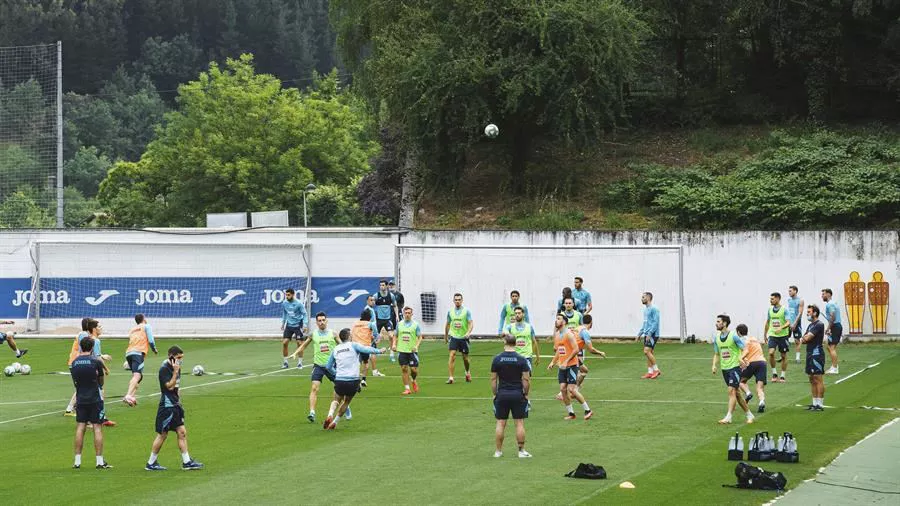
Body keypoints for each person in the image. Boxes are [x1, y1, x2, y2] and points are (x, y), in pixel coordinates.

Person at [145, 345, 204, 470]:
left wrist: (179, 401)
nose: (180, 360)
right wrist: (175, 371)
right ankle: (151, 463)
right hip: (167, 406)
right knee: (162, 434)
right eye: (178, 357)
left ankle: (187, 462)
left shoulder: (176, 367)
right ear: (171, 356)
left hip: (175, 405)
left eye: (181, 358)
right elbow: (169, 386)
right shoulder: (164, 369)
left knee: (182, 432)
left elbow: (176, 388)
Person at [322, 329, 386, 430]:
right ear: (349, 337)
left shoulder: (336, 349)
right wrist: (379, 351)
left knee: (336, 399)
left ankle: (330, 414)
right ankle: (335, 421)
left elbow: (328, 367)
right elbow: (366, 349)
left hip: (340, 380)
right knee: (346, 402)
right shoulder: (353, 345)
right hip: (353, 381)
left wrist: (337, 373)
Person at [69, 337, 111, 469]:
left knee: (80, 427)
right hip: (95, 398)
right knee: (97, 427)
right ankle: (99, 461)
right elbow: (101, 380)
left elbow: (75, 382)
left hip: (81, 397)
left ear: (81, 347)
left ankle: (77, 461)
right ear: (92, 347)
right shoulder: (95, 361)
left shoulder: (75, 362)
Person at [66, 319, 116, 426]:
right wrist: (106, 369)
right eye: (99, 327)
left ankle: (77, 412)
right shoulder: (94, 341)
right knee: (99, 391)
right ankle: (100, 418)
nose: (101, 328)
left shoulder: (88, 339)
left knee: (83, 389)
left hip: (79, 365)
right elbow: (96, 358)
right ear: (94, 329)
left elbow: (91, 354)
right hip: (91, 368)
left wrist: (102, 356)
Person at [291, 312, 338, 423]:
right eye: (319, 320)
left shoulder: (333, 333)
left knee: (339, 389)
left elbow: (342, 345)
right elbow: (304, 345)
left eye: (323, 320)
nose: (321, 322)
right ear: (316, 322)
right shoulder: (314, 334)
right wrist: (295, 353)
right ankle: (312, 412)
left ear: (326, 321)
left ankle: (345, 409)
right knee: (314, 388)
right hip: (318, 365)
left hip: (331, 366)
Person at [491, 334, 532, 458]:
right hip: (517, 394)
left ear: (505, 342)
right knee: (519, 423)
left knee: (500, 423)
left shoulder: (497, 359)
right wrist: (525, 393)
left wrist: (495, 394)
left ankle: (498, 451)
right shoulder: (522, 359)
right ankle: (521, 451)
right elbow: (526, 380)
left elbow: (493, 380)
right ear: (515, 343)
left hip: (502, 394)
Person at [548, 313, 593, 420]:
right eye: (556, 319)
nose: (556, 321)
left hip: (571, 365)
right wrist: (553, 362)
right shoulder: (558, 335)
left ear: (564, 322)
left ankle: (588, 410)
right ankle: (571, 414)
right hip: (562, 367)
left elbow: (576, 349)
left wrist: (566, 361)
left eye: (558, 319)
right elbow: (559, 350)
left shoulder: (569, 334)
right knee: (563, 389)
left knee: (572, 390)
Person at [711, 314, 754, 425]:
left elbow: (745, 349)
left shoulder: (734, 336)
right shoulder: (716, 338)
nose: (716, 323)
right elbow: (716, 354)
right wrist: (714, 365)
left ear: (725, 323)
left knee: (731, 391)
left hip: (735, 368)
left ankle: (729, 416)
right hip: (725, 369)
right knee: (737, 394)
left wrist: (741, 357)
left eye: (718, 321)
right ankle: (749, 414)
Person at [123, 314, 158, 406]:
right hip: (138, 353)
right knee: (137, 376)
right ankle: (128, 395)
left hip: (129, 353)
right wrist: (154, 349)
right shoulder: (147, 326)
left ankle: (131, 397)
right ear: (143, 319)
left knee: (138, 376)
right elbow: (151, 340)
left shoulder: (132, 329)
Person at [800, 305, 827, 411]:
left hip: (817, 354)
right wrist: (804, 338)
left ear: (815, 313)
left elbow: (808, 337)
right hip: (809, 353)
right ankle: (814, 403)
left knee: (818, 378)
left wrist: (805, 338)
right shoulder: (811, 325)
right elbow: (804, 338)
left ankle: (820, 404)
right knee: (811, 379)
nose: (807, 314)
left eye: (809, 312)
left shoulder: (819, 324)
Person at [736, 324, 767, 413]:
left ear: (738, 332)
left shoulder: (741, 340)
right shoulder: (754, 339)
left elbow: (746, 351)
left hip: (751, 363)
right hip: (762, 362)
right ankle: (761, 402)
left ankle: (748, 393)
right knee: (760, 387)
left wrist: (741, 359)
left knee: (740, 381)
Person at [444, 293, 474, 384]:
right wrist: (445, 336)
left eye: (459, 299)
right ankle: (451, 378)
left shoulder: (466, 311)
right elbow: (448, 324)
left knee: (465, 358)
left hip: (463, 337)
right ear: (453, 301)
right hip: (453, 336)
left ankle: (467, 372)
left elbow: (470, 323)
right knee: (452, 355)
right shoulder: (450, 312)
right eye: (456, 300)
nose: (457, 301)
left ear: (462, 300)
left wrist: (468, 332)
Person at [393, 307, 423, 395]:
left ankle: (413, 380)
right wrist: (394, 344)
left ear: (412, 314)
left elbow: (420, 337)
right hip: (402, 350)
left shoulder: (415, 325)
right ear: (403, 314)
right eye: (406, 313)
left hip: (412, 351)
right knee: (404, 368)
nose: (407, 314)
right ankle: (407, 388)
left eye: (409, 313)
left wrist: (416, 346)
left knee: (413, 370)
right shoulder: (399, 324)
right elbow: (395, 335)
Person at [574, 314, 606, 389]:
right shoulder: (585, 332)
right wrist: (600, 353)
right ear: (591, 322)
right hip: (571, 354)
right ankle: (569, 391)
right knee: (579, 372)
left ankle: (575, 389)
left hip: (570, 352)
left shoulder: (577, 328)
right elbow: (591, 349)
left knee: (583, 371)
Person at [764, 292, 790, 383]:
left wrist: (781, 328)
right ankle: (774, 373)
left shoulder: (784, 310)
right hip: (773, 335)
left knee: (783, 355)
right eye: (770, 299)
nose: (770, 300)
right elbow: (767, 322)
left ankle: (783, 375)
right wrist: (765, 334)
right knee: (771, 353)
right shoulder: (770, 310)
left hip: (783, 336)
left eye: (772, 299)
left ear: (778, 299)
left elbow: (788, 322)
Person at [350, 309, 379, 387]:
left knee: (356, 363)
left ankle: (355, 380)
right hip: (364, 346)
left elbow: (351, 334)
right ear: (370, 317)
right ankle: (363, 379)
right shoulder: (371, 324)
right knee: (366, 362)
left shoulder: (355, 323)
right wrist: (375, 339)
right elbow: (376, 334)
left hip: (355, 346)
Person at [281, 288, 308, 369]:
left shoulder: (299, 304)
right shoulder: (284, 303)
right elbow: (285, 313)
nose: (287, 296)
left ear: (293, 295)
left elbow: (304, 314)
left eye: (288, 295)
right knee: (285, 342)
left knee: (299, 344)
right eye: (286, 295)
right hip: (289, 325)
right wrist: (283, 323)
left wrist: (305, 325)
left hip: (298, 325)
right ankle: (285, 362)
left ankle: (300, 363)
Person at [637, 292, 661, 379]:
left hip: (653, 334)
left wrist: (650, 334)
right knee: (649, 353)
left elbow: (655, 323)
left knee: (646, 351)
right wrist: (640, 333)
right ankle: (650, 372)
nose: (642, 299)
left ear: (648, 298)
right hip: (647, 334)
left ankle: (656, 370)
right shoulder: (645, 310)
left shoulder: (654, 309)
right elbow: (645, 323)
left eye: (643, 297)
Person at [363, 295, 386, 376]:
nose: (373, 301)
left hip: (368, 334)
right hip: (370, 334)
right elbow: (370, 323)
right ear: (367, 301)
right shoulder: (369, 310)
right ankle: (374, 371)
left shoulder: (368, 309)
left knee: (367, 353)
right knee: (372, 352)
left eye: (373, 300)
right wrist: (375, 335)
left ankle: (372, 371)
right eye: (371, 300)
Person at [822, 288, 843, 374]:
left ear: (828, 294)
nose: (822, 296)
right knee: (828, 346)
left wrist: (828, 328)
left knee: (831, 347)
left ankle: (835, 368)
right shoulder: (833, 303)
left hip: (835, 326)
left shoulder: (830, 304)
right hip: (835, 326)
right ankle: (834, 366)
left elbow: (833, 317)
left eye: (823, 294)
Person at [786, 286, 805, 363]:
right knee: (784, 339)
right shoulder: (789, 300)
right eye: (789, 291)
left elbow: (800, 313)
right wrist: (788, 322)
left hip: (796, 323)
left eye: (790, 291)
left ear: (795, 291)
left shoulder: (800, 300)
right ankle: (783, 356)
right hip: (789, 323)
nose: (789, 292)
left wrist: (795, 323)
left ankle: (797, 358)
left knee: (797, 341)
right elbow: (789, 312)